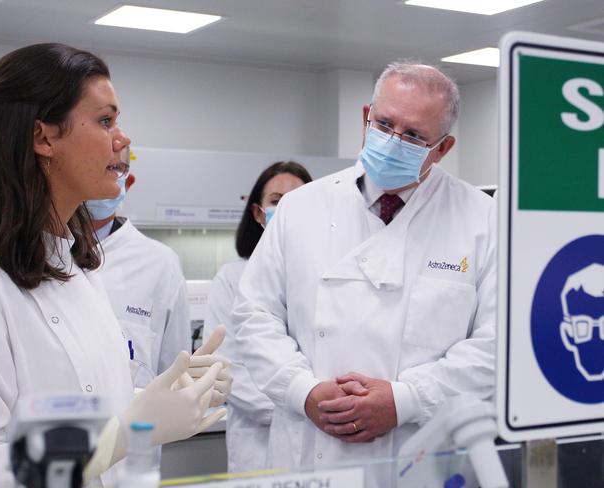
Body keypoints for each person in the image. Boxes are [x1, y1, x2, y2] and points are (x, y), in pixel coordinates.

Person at [0, 43, 228, 487]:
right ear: (43, 137)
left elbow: (81, 401)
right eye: (105, 120)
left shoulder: (79, 268)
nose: (123, 139)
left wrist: (162, 398)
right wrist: (121, 434)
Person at [233, 61, 496, 485]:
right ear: (364, 118)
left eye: (413, 136)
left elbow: (495, 347)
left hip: (421, 451)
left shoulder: (484, 220)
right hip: (309, 451)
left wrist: (405, 399)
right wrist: (305, 391)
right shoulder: (301, 208)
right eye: (384, 124)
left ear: (443, 148)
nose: (393, 142)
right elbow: (253, 317)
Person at [203, 161, 313, 472]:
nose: (289, 209)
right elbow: (228, 369)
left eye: (300, 200)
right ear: (258, 212)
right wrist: (304, 407)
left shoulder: (329, 279)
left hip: (321, 443)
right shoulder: (232, 279)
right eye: (277, 201)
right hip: (258, 443)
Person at [87, 146, 192, 388]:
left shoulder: (161, 263)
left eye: (113, 168)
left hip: (137, 424)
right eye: (93, 167)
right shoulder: (37, 252)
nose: (100, 178)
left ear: (128, 182)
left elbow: (175, 372)